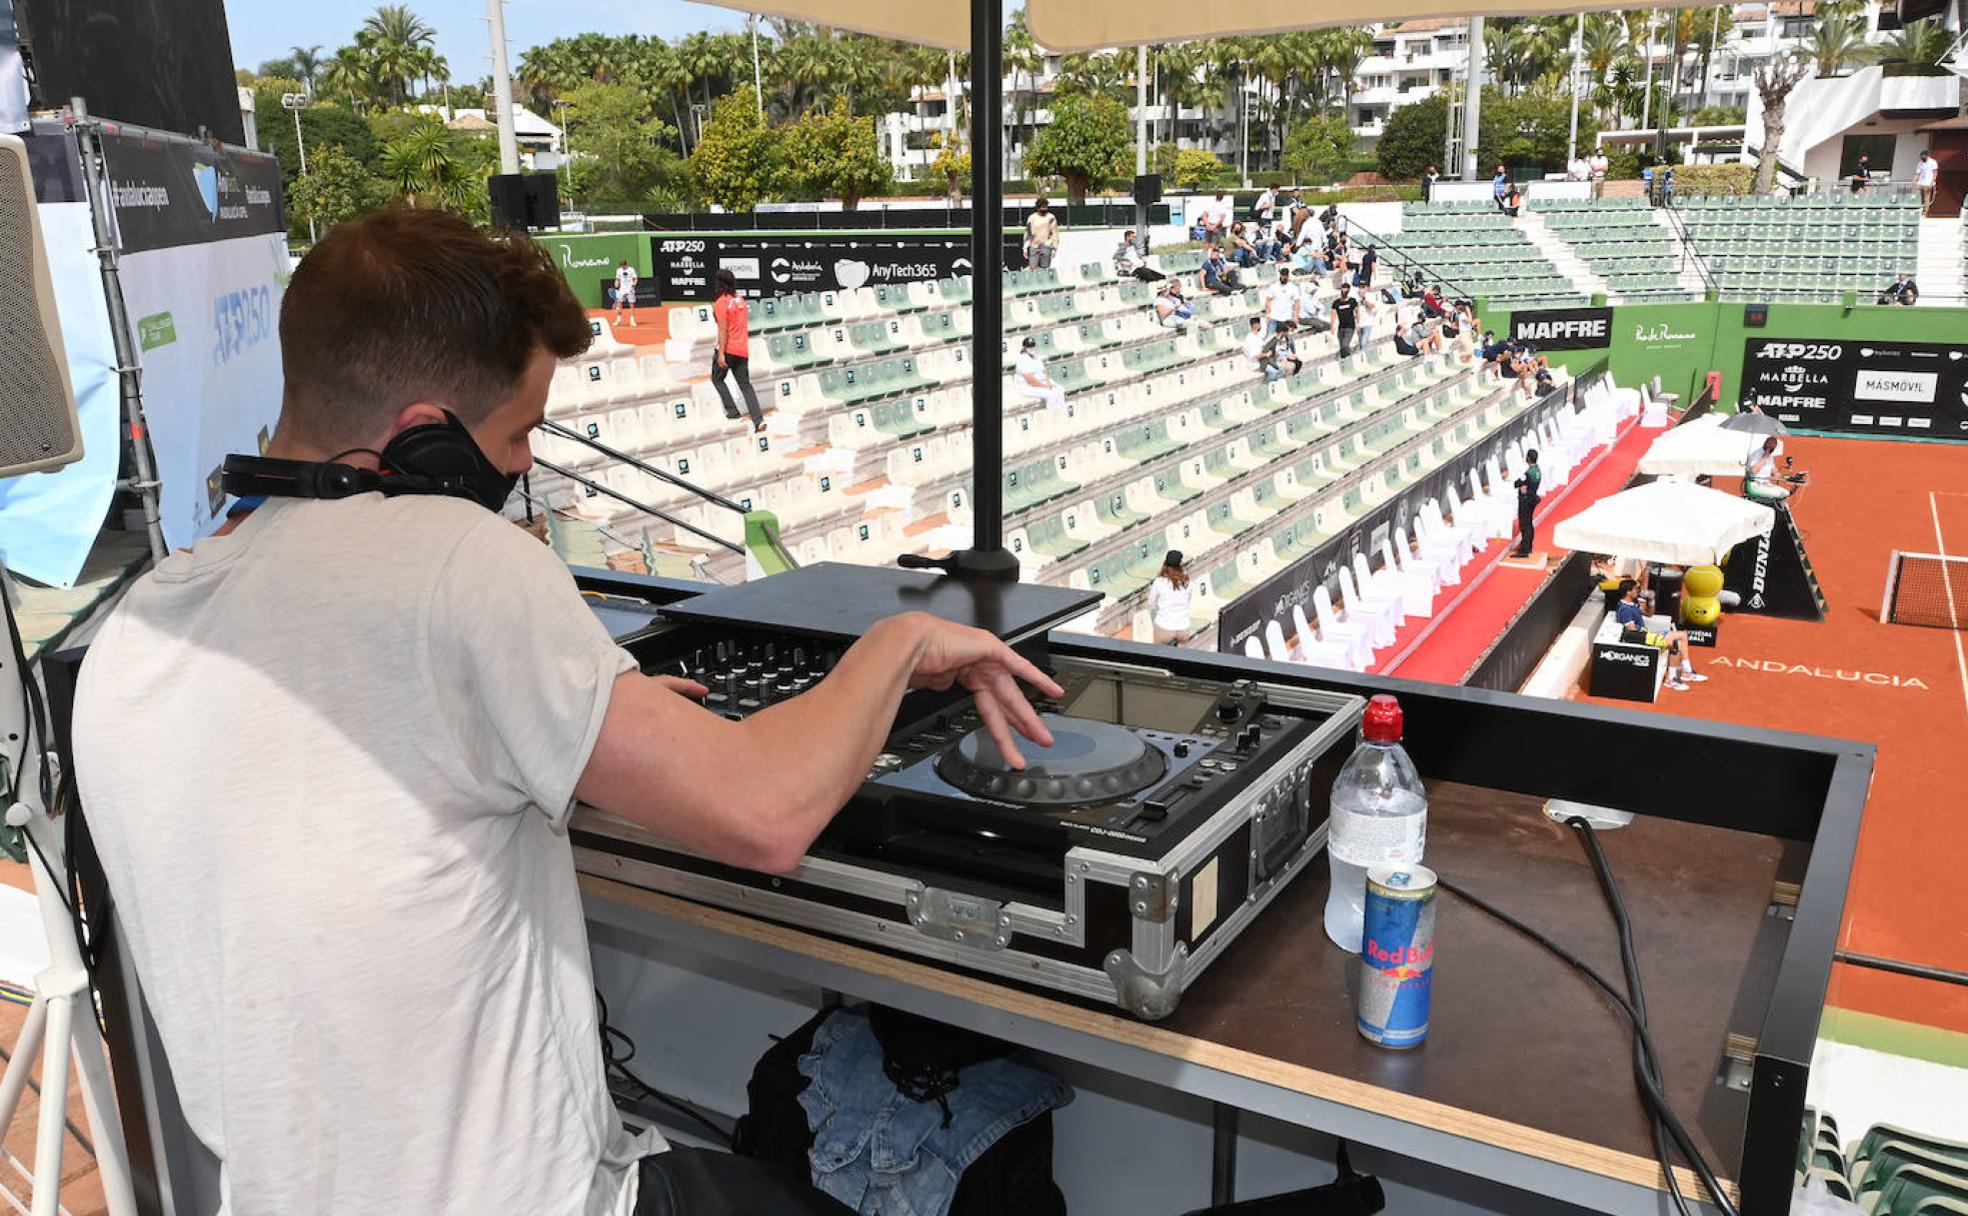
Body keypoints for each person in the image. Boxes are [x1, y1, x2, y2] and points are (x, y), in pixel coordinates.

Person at [68, 207, 1062, 1216]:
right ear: (424, 445)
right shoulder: (459, 562)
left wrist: (596, 727)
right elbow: (767, 815)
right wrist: (897, 646)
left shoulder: (136, 633)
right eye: (519, 434)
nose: (525, 465)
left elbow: (335, 798)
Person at [1616, 578, 1703, 691]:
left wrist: (1651, 600)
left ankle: (1686, 671)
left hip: (1646, 634)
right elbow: (1632, 631)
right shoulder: (1625, 610)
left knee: (1682, 636)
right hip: (1641, 638)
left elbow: (1649, 614)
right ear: (1628, 592)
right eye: (1636, 589)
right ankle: (1672, 678)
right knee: (1675, 642)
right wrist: (1655, 636)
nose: (1639, 591)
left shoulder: (1633, 603)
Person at [710, 268, 766, 432]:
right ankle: (758, 420)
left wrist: (721, 353)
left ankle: (733, 412)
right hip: (742, 349)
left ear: (719, 283)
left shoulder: (721, 302)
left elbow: (723, 329)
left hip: (728, 349)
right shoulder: (740, 300)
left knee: (717, 379)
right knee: (745, 385)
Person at [1147, 550, 1194, 645]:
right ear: (1180, 564)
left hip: (1164, 626)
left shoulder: (1159, 582)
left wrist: (1160, 608)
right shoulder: (1188, 582)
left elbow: (1151, 603)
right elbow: (1188, 601)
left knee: (1158, 655)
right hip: (1183, 627)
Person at [1015, 334, 1066, 410]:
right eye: (1028, 346)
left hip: (1041, 383)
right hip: (1028, 387)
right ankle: (1053, 414)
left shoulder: (1036, 357)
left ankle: (1061, 413)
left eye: (1032, 346)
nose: (1031, 348)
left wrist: (1048, 382)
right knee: (1051, 394)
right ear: (1024, 347)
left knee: (1060, 390)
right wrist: (1045, 386)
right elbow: (1030, 380)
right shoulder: (1022, 359)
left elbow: (1044, 372)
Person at [1510, 447, 1542, 558]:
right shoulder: (1538, 470)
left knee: (1525, 524)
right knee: (1529, 523)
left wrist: (1518, 484)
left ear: (1528, 458)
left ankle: (1525, 549)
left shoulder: (1529, 473)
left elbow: (1519, 484)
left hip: (1526, 500)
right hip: (1533, 498)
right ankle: (1529, 546)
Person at [1743, 434, 1792, 501]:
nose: (1771, 448)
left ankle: (1780, 510)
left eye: (1773, 446)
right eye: (1770, 445)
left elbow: (1774, 471)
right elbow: (1753, 471)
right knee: (1782, 494)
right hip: (1756, 485)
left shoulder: (1770, 456)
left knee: (1786, 492)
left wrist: (1783, 476)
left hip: (1766, 484)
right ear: (1765, 444)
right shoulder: (1756, 454)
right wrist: (1764, 458)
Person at [1263, 265, 1299, 335]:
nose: (1283, 277)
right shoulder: (1273, 286)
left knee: (1289, 338)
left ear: (1288, 276)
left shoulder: (1293, 287)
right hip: (1274, 317)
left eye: (1285, 276)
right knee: (1270, 337)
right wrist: (1268, 314)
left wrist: (1296, 316)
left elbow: (1297, 302)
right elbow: (1268, 301)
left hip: (1287, 317)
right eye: (1282, 275)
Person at [1024, 197, 1059, 269]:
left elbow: (1054, 233)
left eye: (1046, 207)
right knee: (1033, 268)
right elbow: (1028, 233)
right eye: (1043, 207)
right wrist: (1025, 247)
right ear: (1038, 208)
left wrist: (1054, 248)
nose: (1045, 209)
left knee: (1045, 268)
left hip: (1046, 245)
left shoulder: (1051, 217)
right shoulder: (1032, 218)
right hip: (1034, 245)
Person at [1331, 282, 1361, 359]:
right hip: (1341, 327)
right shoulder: (1336, 302)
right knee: (1341, 346)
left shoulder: (1352, 301)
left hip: (1350, 326)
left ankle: (1348, 359)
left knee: (1345, 344)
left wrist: (1358, 323)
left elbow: (1357, 312)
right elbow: (1333, 314)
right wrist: (1332, 325)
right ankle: (1344, 360)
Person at [611, 258, 639, 327]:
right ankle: (618, 320)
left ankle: (632, 321)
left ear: (626, 264)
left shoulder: (631, 269)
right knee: (619, 304)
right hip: (622, 290)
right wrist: (616, 285)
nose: (622, 267)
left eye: (623, 265)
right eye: (621, 265)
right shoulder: (618, 270)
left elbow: (635, 279)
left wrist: (633, 286)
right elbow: (617, 279)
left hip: (630, 289)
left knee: (631, 305)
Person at [1915, 150, 1939, 215]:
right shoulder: (1920, 163)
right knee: (1917, 197)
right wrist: (1914, 180)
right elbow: (1917, 173)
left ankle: (1924, 212)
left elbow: (1935, 173)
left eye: (1923, 157)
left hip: (1928, 183)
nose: (1922, 158)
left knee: (1926, 198)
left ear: (1927, 156)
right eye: (1921, 157)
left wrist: (1932, 182)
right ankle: (1917, 210)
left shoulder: (1933, 162)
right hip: (1920, 183)